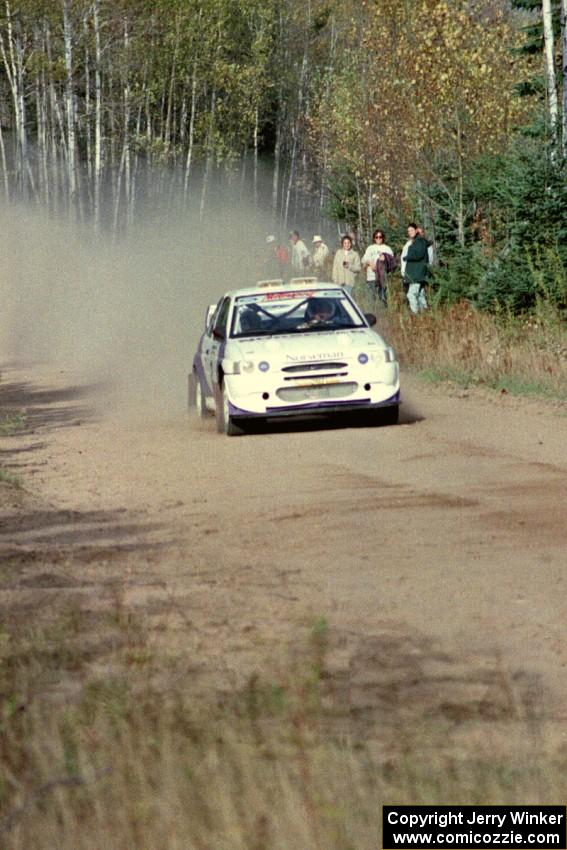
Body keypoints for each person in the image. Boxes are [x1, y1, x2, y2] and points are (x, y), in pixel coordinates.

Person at [361, 229, 395, 306]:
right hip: (371, 277)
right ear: (374, 238)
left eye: (380, 237)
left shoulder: (387, 248)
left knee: (382, 298)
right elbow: (363, 260)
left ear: (383, 238)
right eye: (377, 237)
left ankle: (384, 314)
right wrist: (369, 263)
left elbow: (392, 262)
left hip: (382, 278)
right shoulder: (370, 248)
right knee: (371, 298)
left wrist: (385, 259)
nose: (378, 239)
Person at [401, 223, 429, 313]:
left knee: (411, 294)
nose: (410, 232)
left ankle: (415, 314)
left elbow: (419, 254)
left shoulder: (420, 241)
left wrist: (407, 257)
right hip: (416, 273)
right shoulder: (416, 241)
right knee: (420, 294)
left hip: (417, 273)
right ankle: (424, 313)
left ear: (416, 230)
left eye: (412, 230)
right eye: (408, 231)